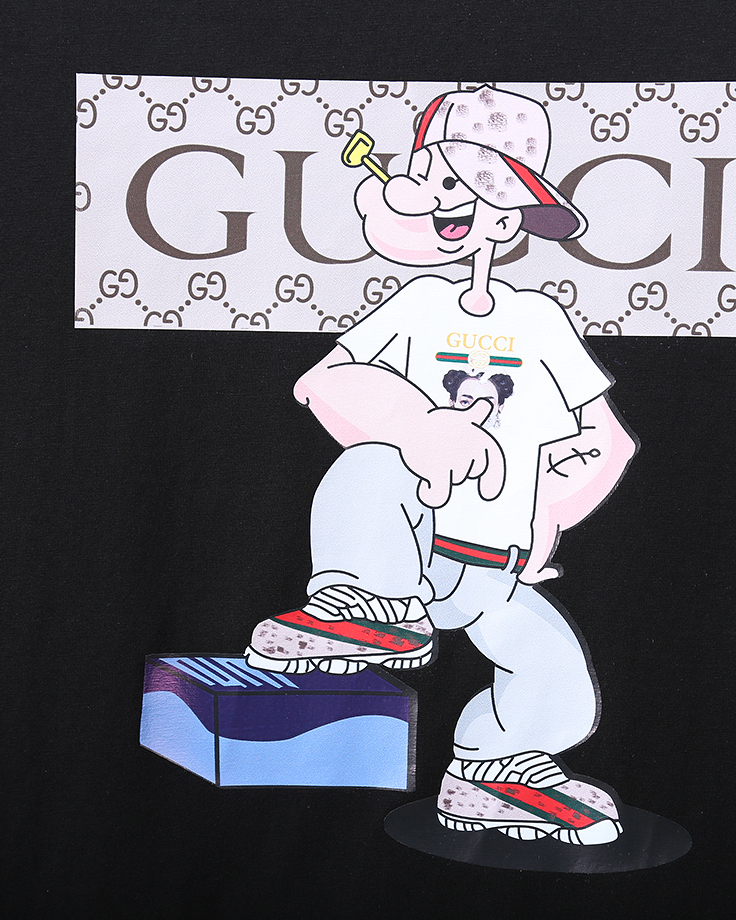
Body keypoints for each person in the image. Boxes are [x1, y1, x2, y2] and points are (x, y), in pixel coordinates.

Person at [244, 85, 637, 844]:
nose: (429, 198)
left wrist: (550, 512)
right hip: (412, 544)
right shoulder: (419, 301)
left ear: (508, 214)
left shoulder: (539, 319)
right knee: (371, 467)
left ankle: (494, 769)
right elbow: (323, 381)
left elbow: (606, 439)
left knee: (560, 677)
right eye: (428, 178)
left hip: (497, 566)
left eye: (456, 182)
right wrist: (414, 424)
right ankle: (365, 607)